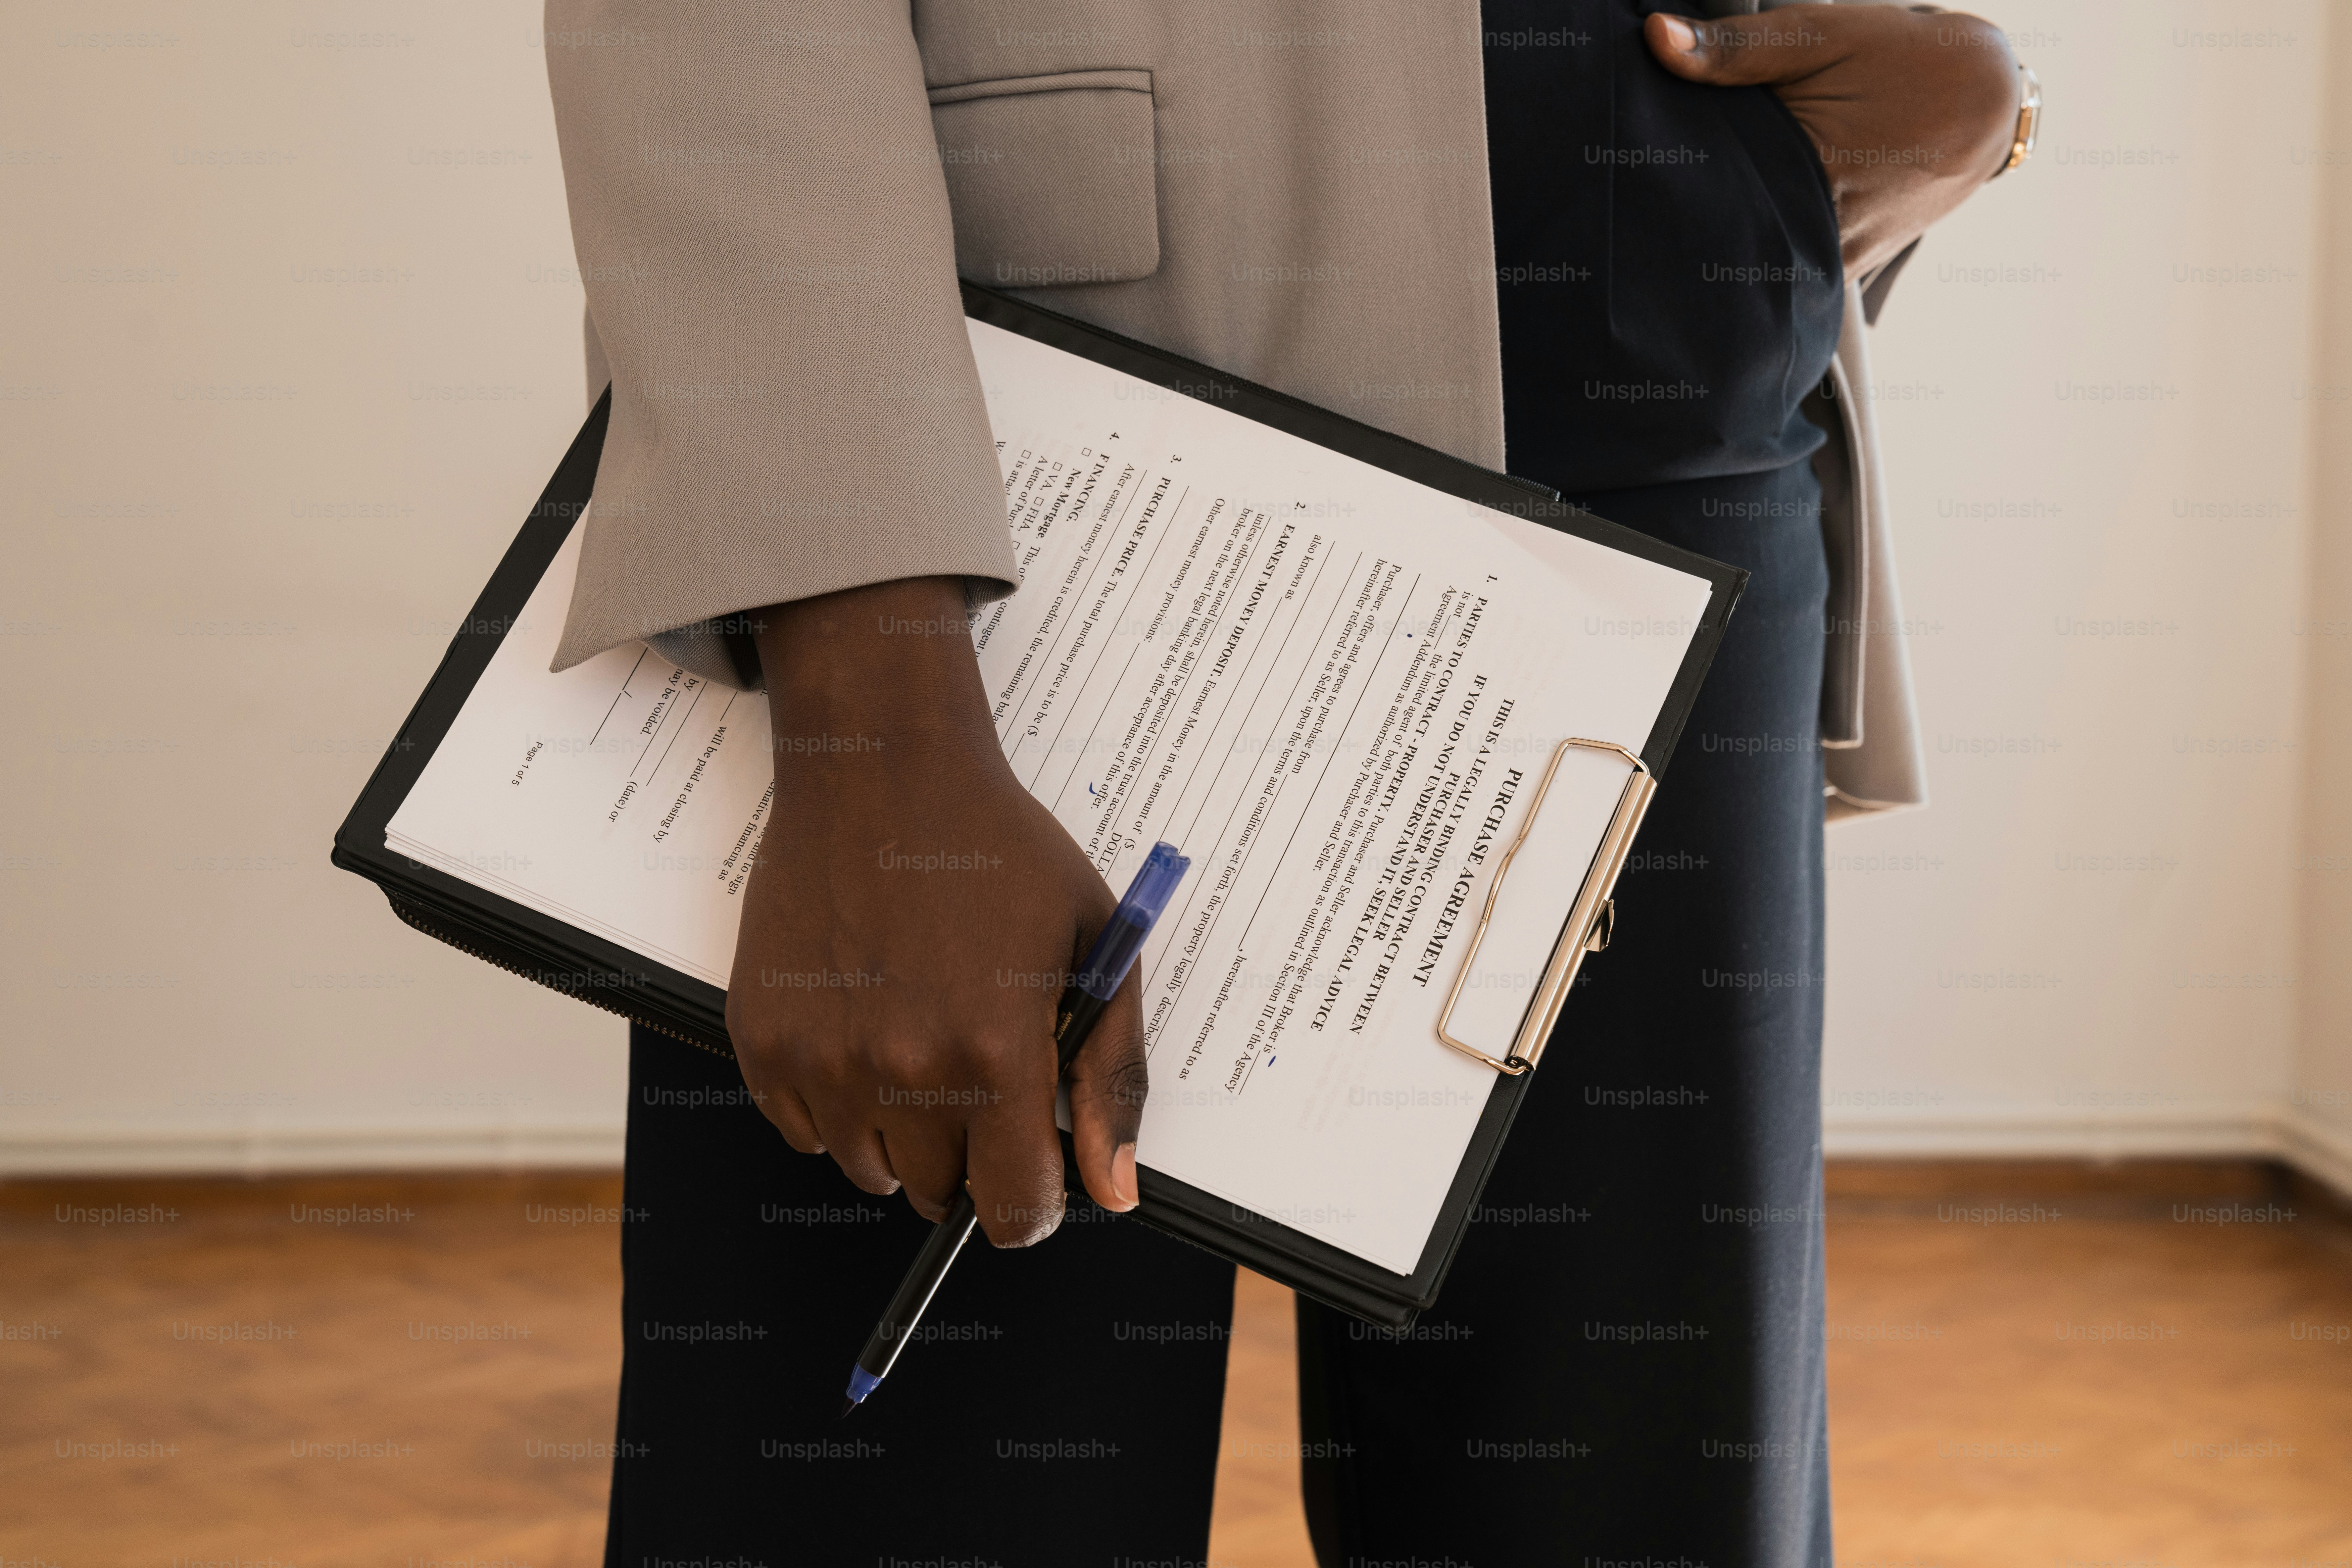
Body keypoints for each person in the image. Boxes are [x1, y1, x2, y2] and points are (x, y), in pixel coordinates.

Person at [542, 2, 2028, 1561]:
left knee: (1639, 1502)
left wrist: (1989, 88)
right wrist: (870, 690)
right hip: (1006, 435)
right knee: (912, 1492)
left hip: (1675, 388)